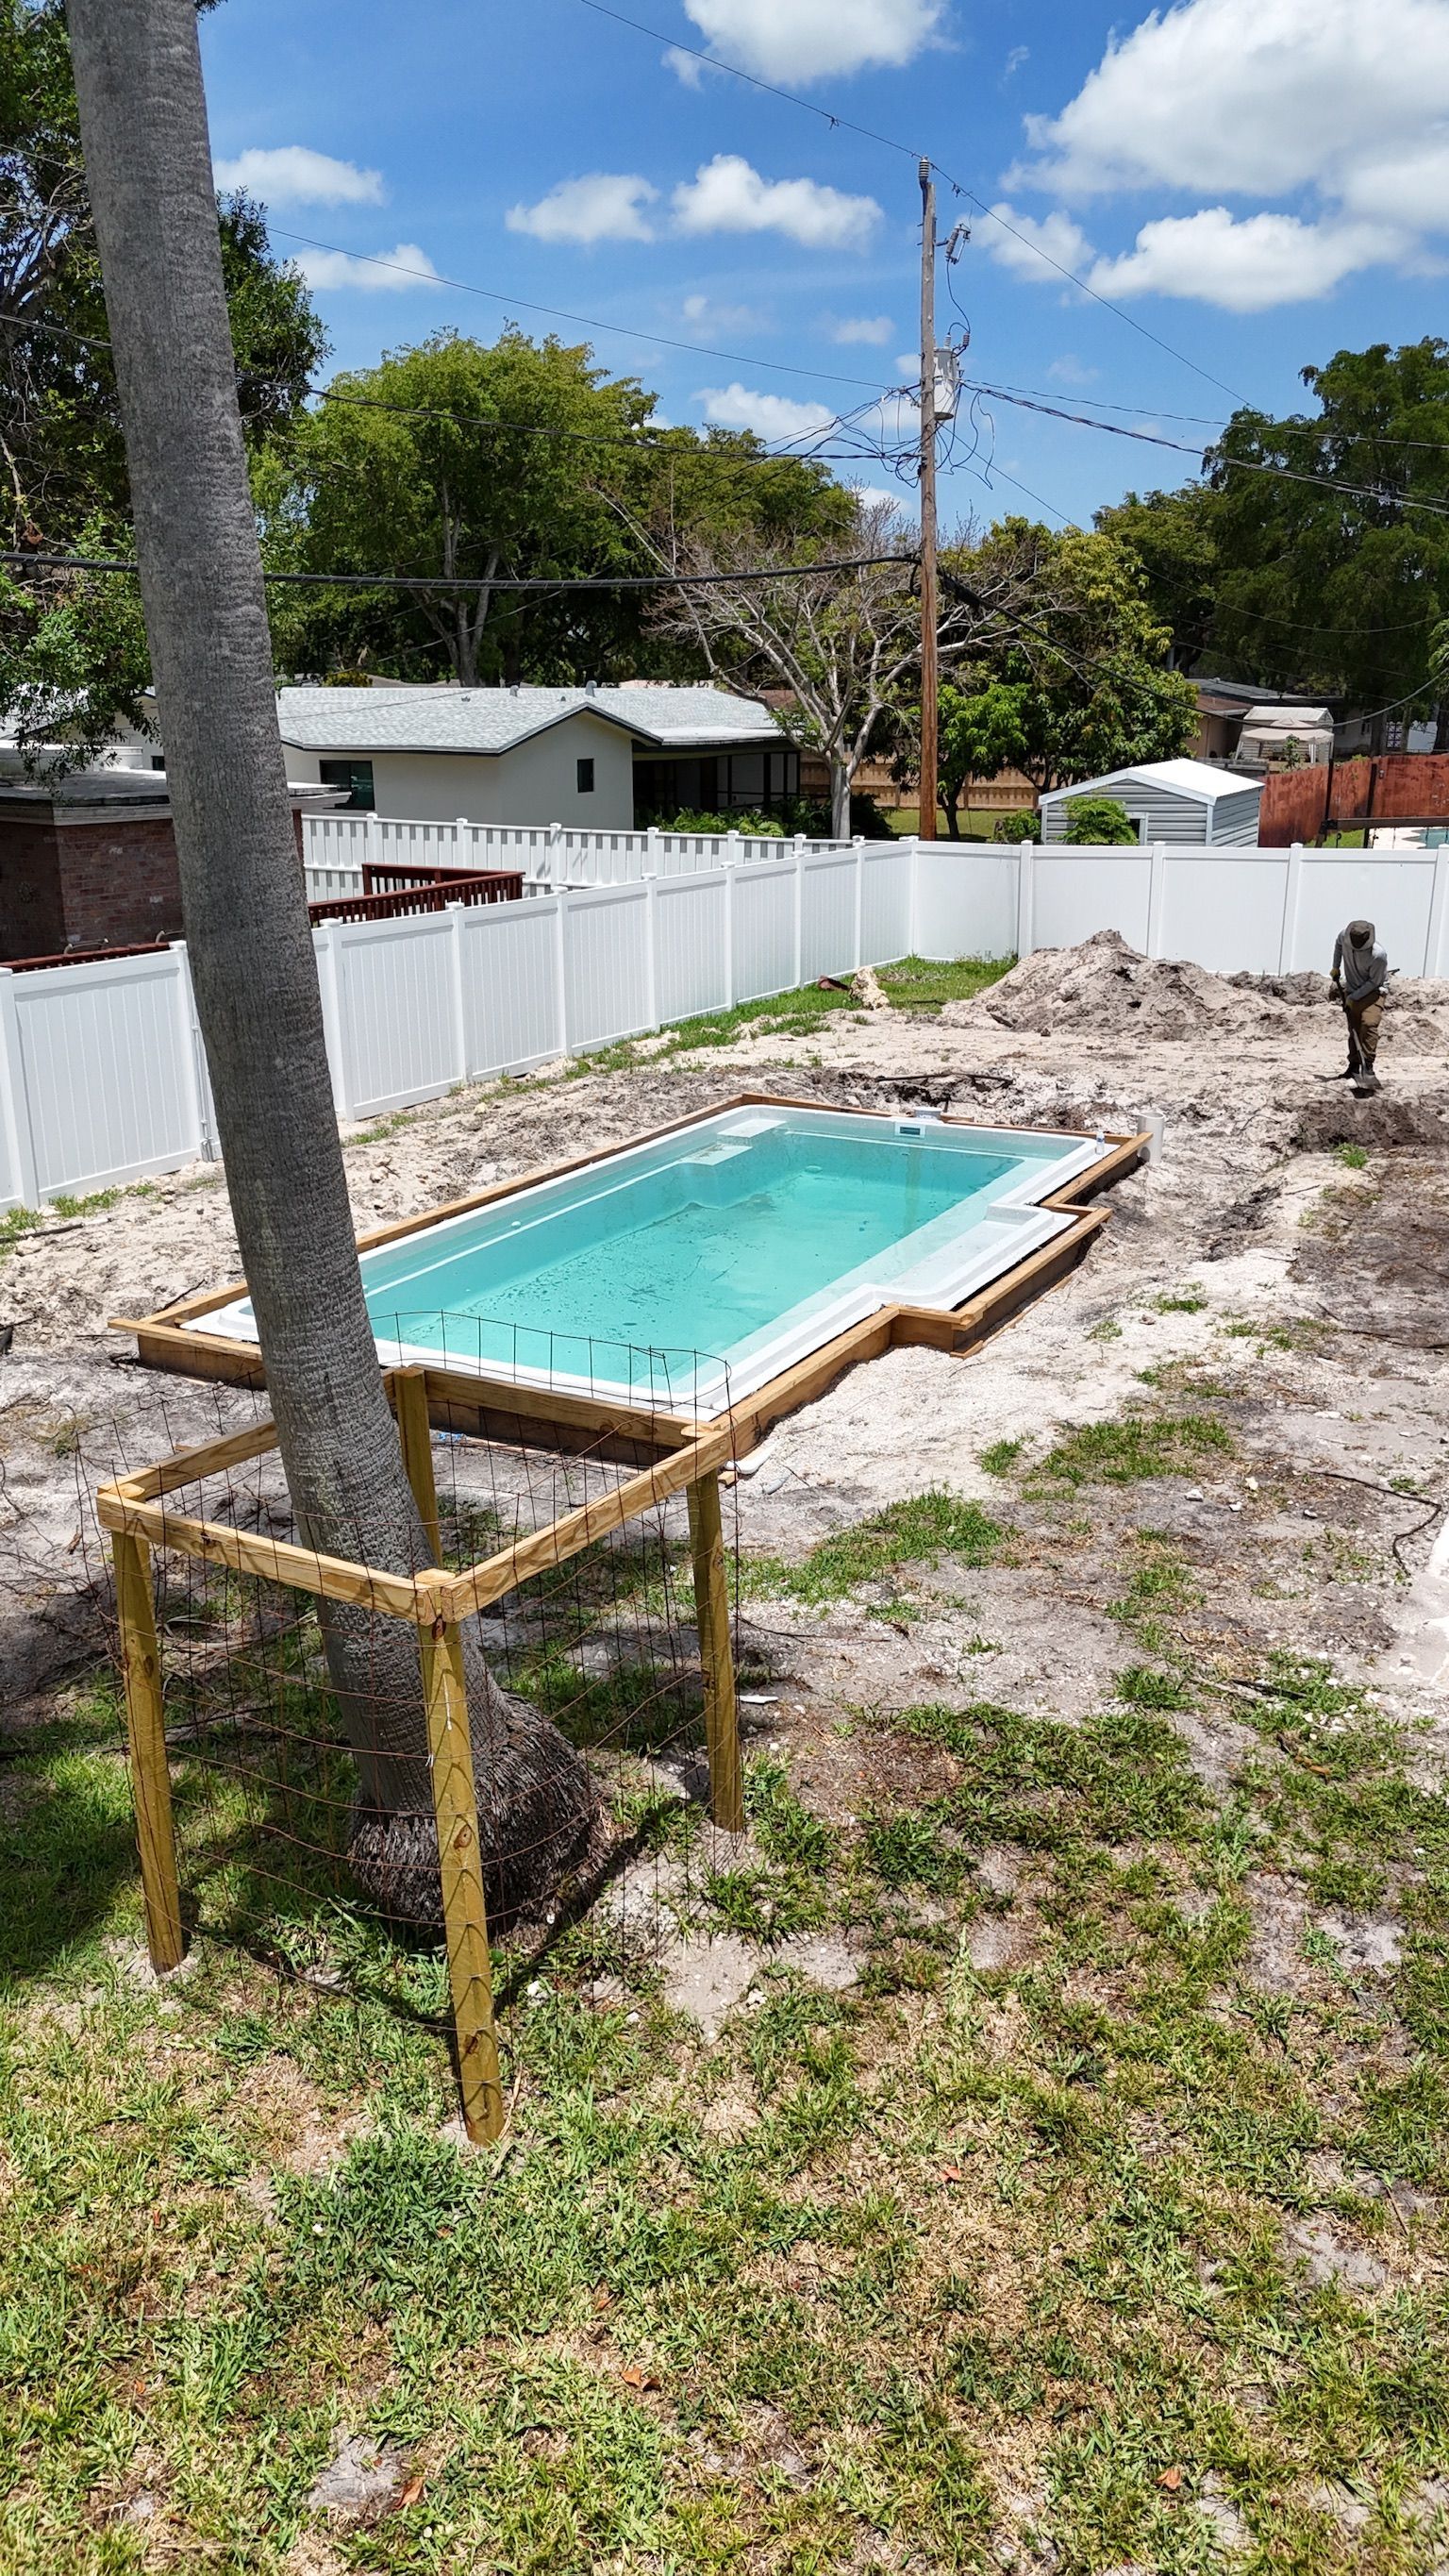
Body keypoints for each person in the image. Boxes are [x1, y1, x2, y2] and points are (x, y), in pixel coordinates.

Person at [1329, 917, 1389, 1095]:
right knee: (1354, 1028)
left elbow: (1374, 982)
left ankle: (1368, 1067)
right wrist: (1336, 967)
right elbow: (1338, 945)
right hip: (1353, 989)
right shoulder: (1344, 936)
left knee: (1369, 1025)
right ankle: (1354, 1066)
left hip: (1374, 992)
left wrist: (1353, 997)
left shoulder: (1378, 955)